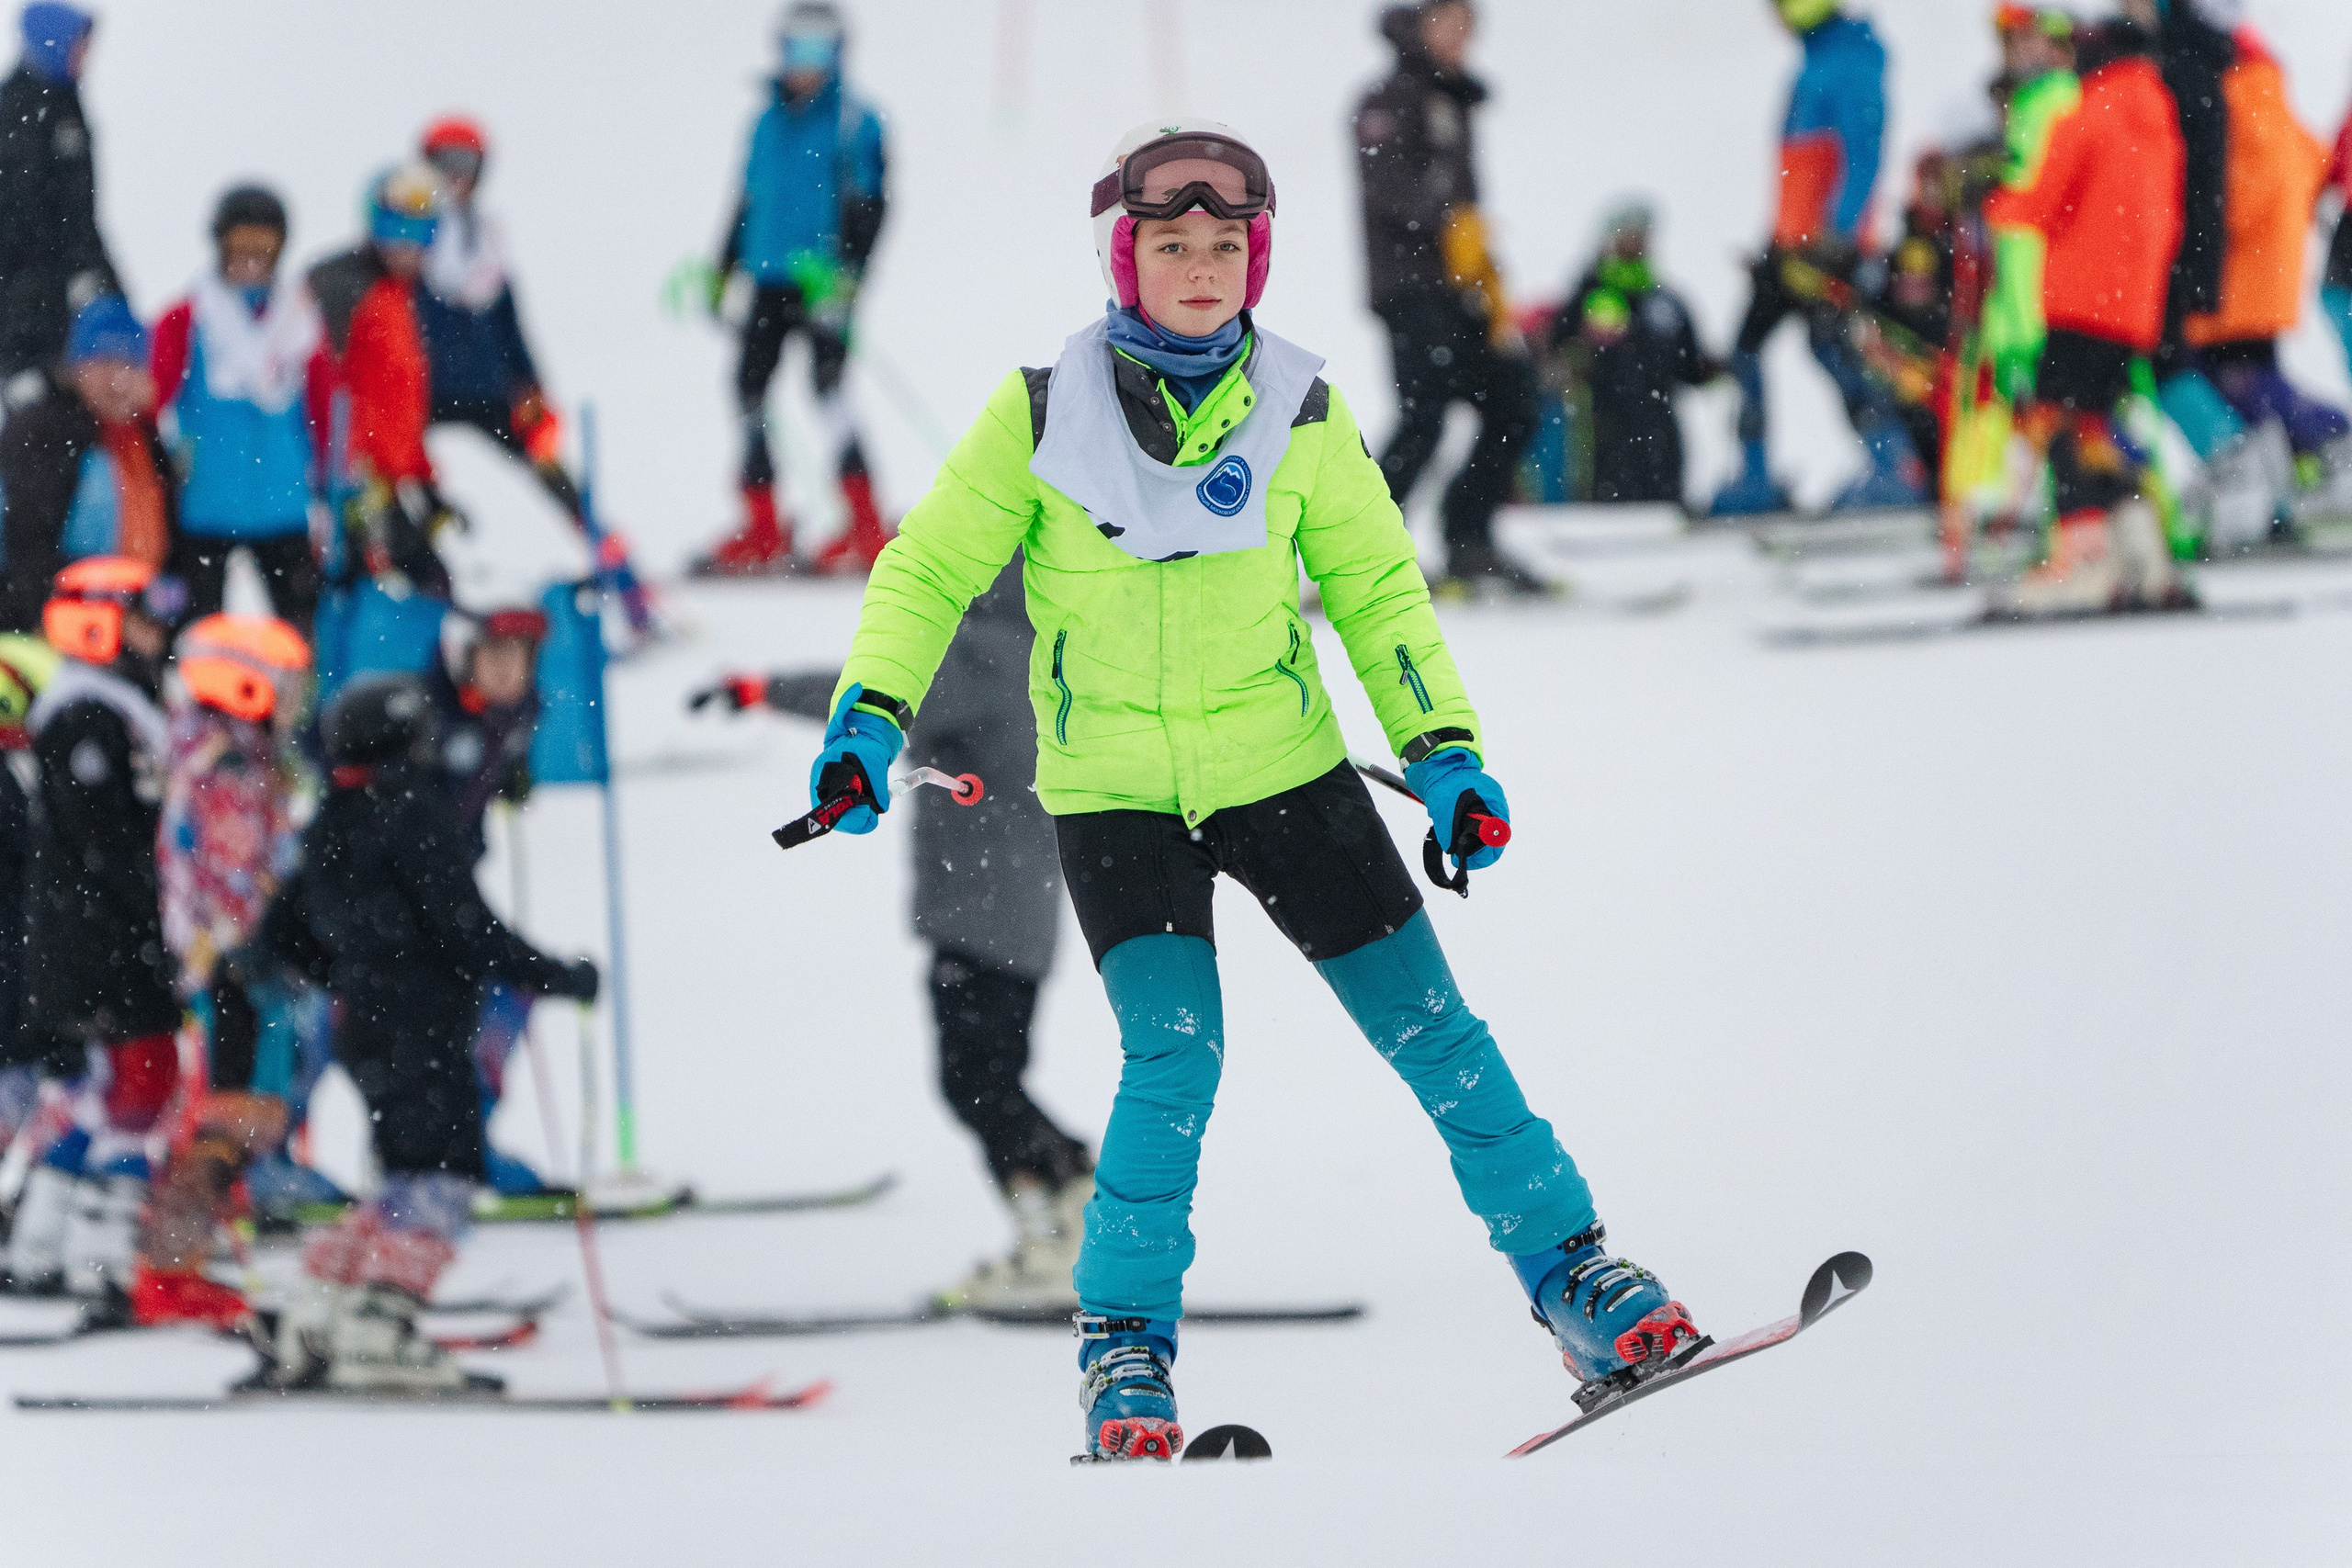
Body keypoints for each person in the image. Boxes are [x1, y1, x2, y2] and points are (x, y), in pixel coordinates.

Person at [808, 119, 1699, 1461]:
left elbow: (1379, 590)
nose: (1203, 267)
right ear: (1127, 256)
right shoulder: (1042, 409)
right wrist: (867, 717)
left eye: (1227, 245)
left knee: (1434, 1030)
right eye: (1173, 245)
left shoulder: (1305, 408)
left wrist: (1445, 748)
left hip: (1287, 777)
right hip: (1115, 797)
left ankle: (1575, 1278)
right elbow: (925, 570)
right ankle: (1123, 1351)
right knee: (1174, 1061)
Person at [693, 558, 1092, 1310]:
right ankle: (1062, 1216)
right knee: (986, 1077)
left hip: (983, 917)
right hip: (1017, 913)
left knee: (977, 1080)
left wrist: (763, 689)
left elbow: (875, 700)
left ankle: (1067, 1214)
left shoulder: (982, 653)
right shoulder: (1045, 648)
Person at [260, 674, 596, 1393]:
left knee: (404, 1178)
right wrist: (554, 974)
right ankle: (379, 1330)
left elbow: (283, 931)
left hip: (366, 1025)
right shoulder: (411, 810)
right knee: (439, 1180)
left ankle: (317, 1314)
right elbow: (465, 925)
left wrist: (351, 969)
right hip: (421, 1024)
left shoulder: (334, 815)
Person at [2, 558, 181, 1303]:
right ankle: (96, 1256)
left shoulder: (111, 703)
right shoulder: (85, 715)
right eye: (140, 616)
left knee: (94, 1092)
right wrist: (153, 926)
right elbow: (108, 847)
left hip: (95, 933)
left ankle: (46, 1241)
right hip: (99, 938)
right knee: (132, 1087)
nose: (154, 632)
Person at [132, 612, 311, 1327]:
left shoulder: (218, 753)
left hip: (226, 967)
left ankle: (184, 1262)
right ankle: (167, 1274)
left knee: (227, 1118)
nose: (294, 701)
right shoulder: (228, 768)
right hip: (231, 970)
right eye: (284, 687)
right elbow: (237, 883)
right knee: (219, 1123)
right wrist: (264, 944)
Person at [414, 118, 660, 637]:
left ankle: (632, 594)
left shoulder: (487, 239)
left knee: (561, 483)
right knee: (410, 502)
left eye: (466, 164)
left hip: (490, 392)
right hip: (424, 396)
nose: (455, 176)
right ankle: (421, 620)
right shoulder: (409, 238)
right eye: (444, 163)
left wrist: (532, 389)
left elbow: (509, 323)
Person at [1982, 8, 2190, 614]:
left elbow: (2044, 204)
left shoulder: (2092, 111)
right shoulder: (2152, 111)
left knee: (2061, 424)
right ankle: (2141, 556)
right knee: (2097, 429)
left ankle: (2085, 558)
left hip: (2078, 297)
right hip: (2129, 306)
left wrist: (1993, 199)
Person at [693, 1, 892, 577]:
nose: (804, 62)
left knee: (828, 390)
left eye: (818, 49)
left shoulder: (857, 121)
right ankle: (763, 525)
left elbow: (872, 207)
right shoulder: (764, 122)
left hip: (822, 280)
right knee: (747, 390)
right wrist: (722, 268)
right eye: (795, 47)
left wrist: (847, 279)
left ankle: (865, 523)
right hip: (767, 277)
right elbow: (747, 201)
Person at [1353, 0, 1543, 592]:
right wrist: (1451, 225)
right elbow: (1391, 189)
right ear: (1419, 23)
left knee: (1515, 402)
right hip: (1412, 292)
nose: (1463, 37)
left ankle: (1469, 538)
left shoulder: (1452, 97)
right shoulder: (1386, 101)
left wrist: (1483, 267)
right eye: (1451, 23)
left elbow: (1459, 204)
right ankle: (1360, 558)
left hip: (1462, 291)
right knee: (1423, 419)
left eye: (1469, 26)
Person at [1711, 0, 1921, 516]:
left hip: (1825, 251)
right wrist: (1775, 242)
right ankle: (1761, 473)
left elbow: (1864, 152)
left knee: (1828, 350)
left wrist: (1840, 235)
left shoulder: (1849, 61)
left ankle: (1893, 467)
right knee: (1769, 349)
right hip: (1795, 248)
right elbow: (1800, 172)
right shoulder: (1816, 60)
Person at [2176, 20, 2350, 525]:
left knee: (2238, 379)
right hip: (2251, 269)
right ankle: (2285, 481)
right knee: (2241, 378)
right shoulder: (2258, 88)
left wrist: (2202, 226)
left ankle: (2334, 441)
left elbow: (2253, 181)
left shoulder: (2243, 87)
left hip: (2242, 272)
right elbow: (2311, 159)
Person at [151, 186, 329, 633]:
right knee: (197, 633)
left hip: (285, 505)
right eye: (240, 246)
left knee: (301, 634)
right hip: (205, 505)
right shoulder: (188, 318)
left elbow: (325, 410)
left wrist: (330, 484)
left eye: (264, 248)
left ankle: (297, 703)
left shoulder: (302, 321)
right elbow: (151, 398)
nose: (251, 259)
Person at [0, 297, 175, 632]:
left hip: (123, 624)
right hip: (51, 629)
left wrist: (156, 616)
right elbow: (27, 548)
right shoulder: (44, 430)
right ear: (74, 369)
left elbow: (171, 549)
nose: (118, 381)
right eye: (105, 364)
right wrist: (97, 622)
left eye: (130, 365)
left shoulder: (146, 440)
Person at [1544, 201, 1717, 507]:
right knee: (1611, 509)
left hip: (1660, 430)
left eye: (1642, 234)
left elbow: (1690, 368)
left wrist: (1713, 370)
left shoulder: (1666, 301)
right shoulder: (1588, 293)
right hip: (1604, 429)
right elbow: (1558, 350)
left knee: (1661, 509)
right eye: (1627, 234)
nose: (1636, 242)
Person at [0, 3, 119, 386]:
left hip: (68, 290)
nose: (85, 56)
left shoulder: (66, 105)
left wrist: (102, 285)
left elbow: (81, 216)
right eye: (78, 45)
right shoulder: (14, 111)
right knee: (37, 411)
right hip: (26, 303)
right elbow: (23, 219)